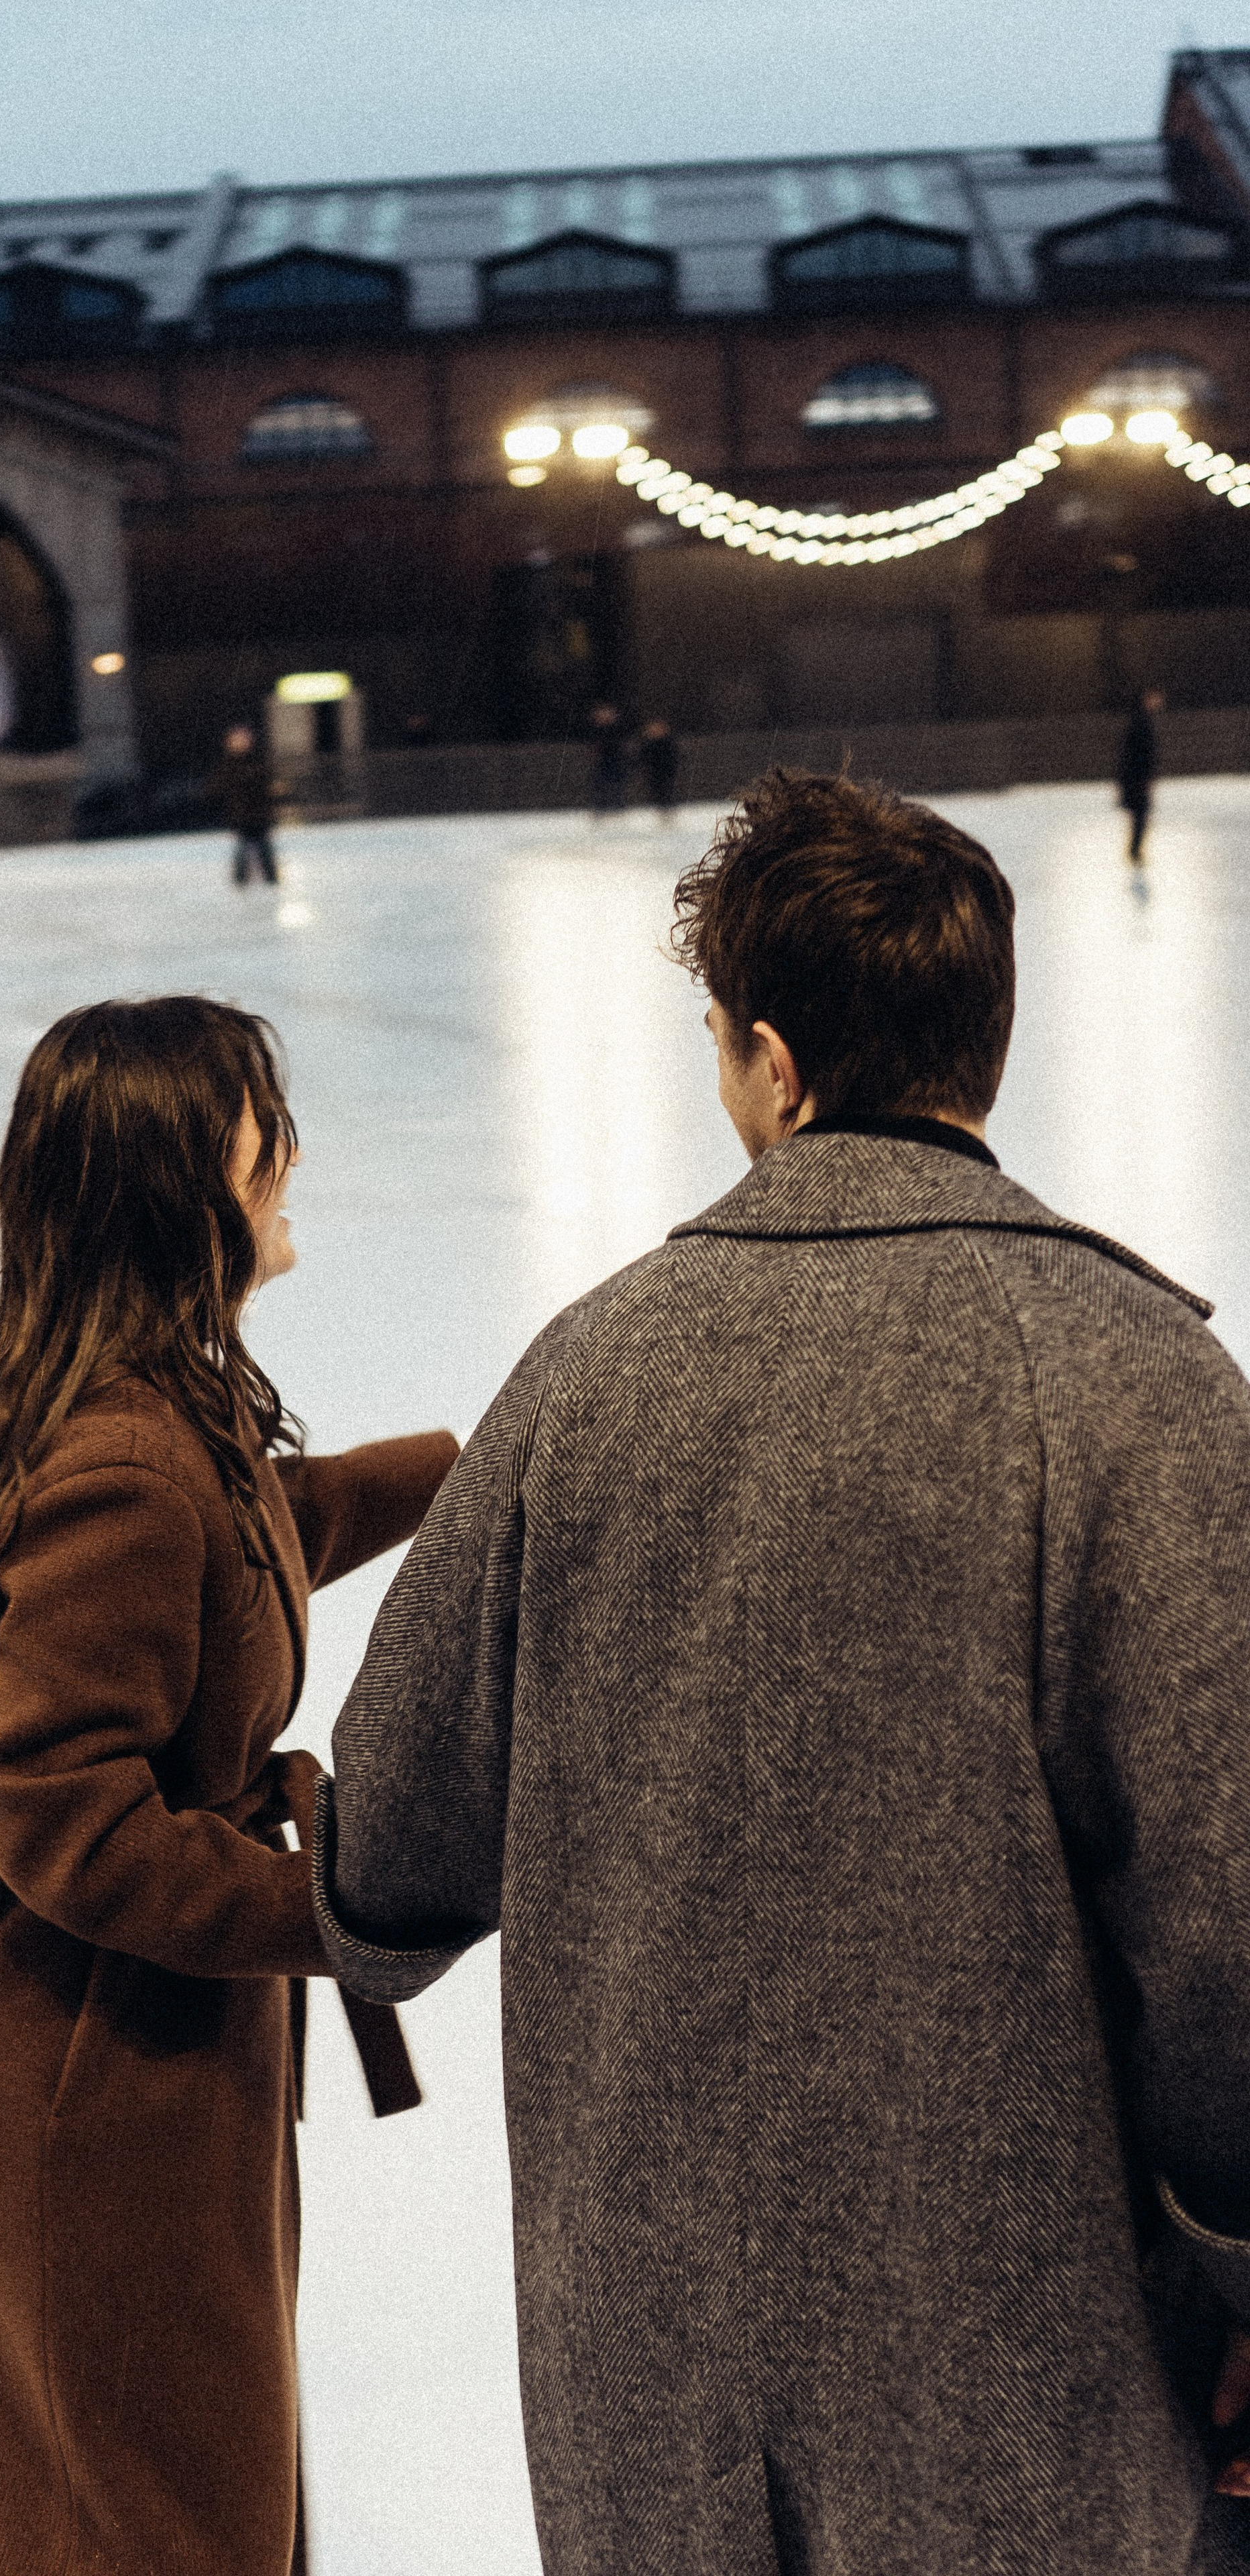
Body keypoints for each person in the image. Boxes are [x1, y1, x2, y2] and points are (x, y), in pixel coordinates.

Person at [311, 769, 1250, 2575]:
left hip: (655, 2396)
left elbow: (393, 1850)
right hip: (1027, 2384)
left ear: (762, 1057)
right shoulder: (1141, 1385)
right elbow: (1225, 1919)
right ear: (984, 1046)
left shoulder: (583, 1379)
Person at [0, 996, 457, 2576]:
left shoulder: (161, 1415)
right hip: (82, 2065)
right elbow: (63, 1810)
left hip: (140, 2039)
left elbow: (251, 1534)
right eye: (254, 1127)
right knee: (134, 2516)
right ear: (169, 1185)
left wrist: (465, 1468)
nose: (289, 1154)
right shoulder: (122, 1459)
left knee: (163, 2491)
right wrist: (334, 1908)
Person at [211, 724, 280, 884]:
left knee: (264, 849)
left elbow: (266, 785)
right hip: (240, 816)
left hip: (259, 815)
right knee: (243, 849)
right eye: (237, 740)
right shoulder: (227, 765)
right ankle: (241, 881)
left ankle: (271, 879)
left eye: (243, 739)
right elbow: (215, 788)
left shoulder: (257, 762)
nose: (241, 743)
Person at [1119, 686, 1165, 863]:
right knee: (1140, 815)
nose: (1158, 702)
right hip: (1136, 778)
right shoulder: (1141, 723)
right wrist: (1144, 777)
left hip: (1136, 777)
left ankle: (1135, 850)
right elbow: (1138, 754)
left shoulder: (1140, 721)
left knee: (1139, 816)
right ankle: (1135, 851)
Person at [587, 702, 628, 818]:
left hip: (616, 761)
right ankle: (600, 808)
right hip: (601, 762)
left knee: (617, 786)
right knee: (600, 785)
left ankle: (618, 809)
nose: (604, 716)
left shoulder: (618, 729)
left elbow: (618, 746)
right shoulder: (594, 730)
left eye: (607, 714)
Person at [638, 716, 680, 821]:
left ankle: (668, 816)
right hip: (653, 776)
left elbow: (675, 758)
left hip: (667, 774)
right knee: (655, 795)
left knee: (666, 794)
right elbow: (642, 759)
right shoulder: (647, 744)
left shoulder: (669, 743)